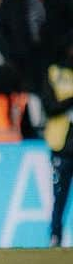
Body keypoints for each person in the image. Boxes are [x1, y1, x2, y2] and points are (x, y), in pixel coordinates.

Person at [0, 0, 73, 99]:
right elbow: (0, 31)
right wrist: (12, 58)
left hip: (58, 65)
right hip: (23, 69)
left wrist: (66, 50)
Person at [42, 37, 73, 246]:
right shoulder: (54, 73)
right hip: (62, 143)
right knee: (60, 194)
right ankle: (56, 237)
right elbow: (50, 107)